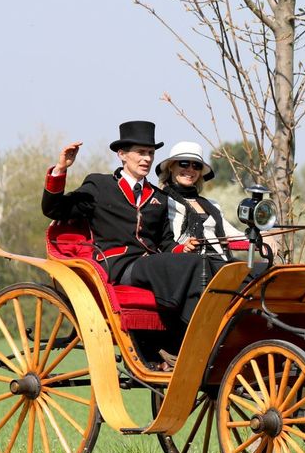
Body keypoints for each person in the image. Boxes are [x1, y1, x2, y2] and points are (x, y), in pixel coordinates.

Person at [41, 121, 216, 342]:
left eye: (151, 153)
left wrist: (184, 248)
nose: (147, 159)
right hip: (117, 266)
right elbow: (54, 209)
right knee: (191, 265)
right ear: (122, 154)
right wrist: (61, 169)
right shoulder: (100, 186)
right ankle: (195, 337)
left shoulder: (159, 198)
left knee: (205, 262)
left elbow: (167, 243)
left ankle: (192, 335)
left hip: (151, 266)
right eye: (141, 153)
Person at [156, 140, 250, 260]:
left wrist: (261, 237)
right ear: (171, 167)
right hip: (183, 263)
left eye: (196, 166)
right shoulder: (161, 201)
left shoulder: (212, 205)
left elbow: (233, 234)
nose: (190, 169)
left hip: (218, 261)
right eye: (184, 163)